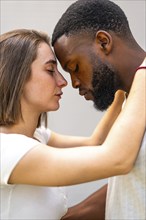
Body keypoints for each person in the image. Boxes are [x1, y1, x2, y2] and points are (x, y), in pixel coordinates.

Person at [0, 29, 145, 220]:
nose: (62, 82)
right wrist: (143, 71)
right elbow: (116, 159)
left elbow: (95, 142)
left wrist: (121, 89)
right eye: (50, 70)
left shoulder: (38, 136)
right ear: (16, 76)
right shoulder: (7, 150)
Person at [51, 0, 146, 219]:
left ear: (103, 42)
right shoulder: (127, 102)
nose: (73, 83)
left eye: (75, 67)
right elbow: (132, 181)